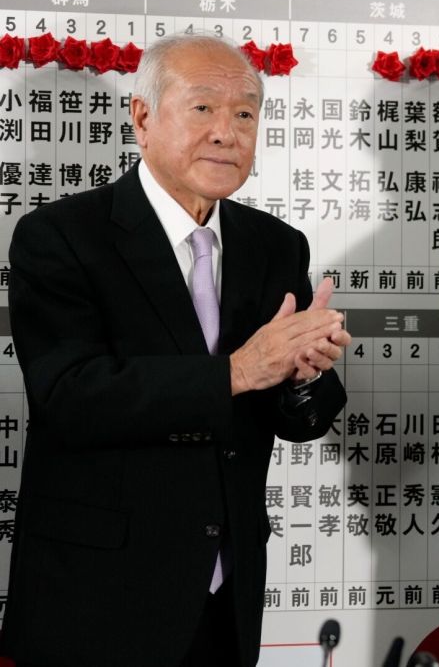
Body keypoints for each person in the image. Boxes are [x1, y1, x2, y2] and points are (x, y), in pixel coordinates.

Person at [0, 33, 350, 667]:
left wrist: (303, 375)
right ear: (142, 116)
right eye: (203, 108)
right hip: (97, 596)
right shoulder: (60, 236)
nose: (227, 132)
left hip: (227, 592)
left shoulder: (276, 246)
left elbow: (299, 416)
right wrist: (239, 372)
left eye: (245, 112)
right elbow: (69, 396)